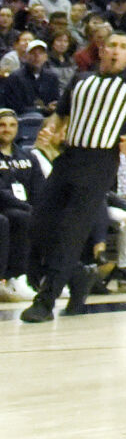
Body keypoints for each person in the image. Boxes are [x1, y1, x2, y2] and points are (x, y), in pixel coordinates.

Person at [21, 30, 126, 321]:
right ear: (102, 50)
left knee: (71, 231)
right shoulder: (80, 79)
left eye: (123, 47)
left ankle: (46, 301)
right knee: (39, 222)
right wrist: (52, 128)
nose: (116, 51)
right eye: (112, 45)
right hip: (68, 157)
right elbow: (61, 114)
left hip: (100, 162)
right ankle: (79, 276)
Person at [0, 106, 38, 300]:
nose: (7, 129)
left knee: (53, 219)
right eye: (2, 125)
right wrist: (27, 207)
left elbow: (40, 187)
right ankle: (11, 277)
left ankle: (41, 278)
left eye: (12, 125)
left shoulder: (27, 157)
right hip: (5, 207)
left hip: (24, 208)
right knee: (14, 219)